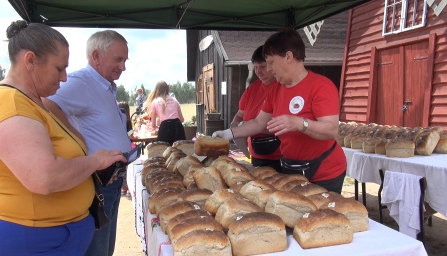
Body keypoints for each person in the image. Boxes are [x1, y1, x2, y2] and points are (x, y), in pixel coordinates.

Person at [0, 20, 126, 256]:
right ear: (30, 61)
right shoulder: (7, 102)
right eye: (59, 68)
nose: (65, 77)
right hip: (31, 246)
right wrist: (94, 161)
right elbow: (44, 177)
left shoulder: (33, 101)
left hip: (50, 244)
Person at [213, 28, 347, 193]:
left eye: (271, 62)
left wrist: (298, 123)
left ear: (288, 57)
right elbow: (259, 123)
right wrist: (229, 133)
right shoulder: (276, 90)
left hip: (324, 173)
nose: (268, 69)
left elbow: (331, 130)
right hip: (291, 171)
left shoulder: (321, 86)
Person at [43, 30, 132, 256]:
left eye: (125, 60)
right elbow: (46, 103)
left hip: (111, 179)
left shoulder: (103, 85)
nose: (123, 66)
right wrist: (77, 138)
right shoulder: (81, 82)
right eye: (118, 59)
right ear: (96, 56)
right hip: (97, 182)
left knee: (105, 249)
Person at [230, 45, 282, 172]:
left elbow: (282, 124)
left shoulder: (281, 87)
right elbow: (240, 114)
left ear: (272, 65)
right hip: (257, 154)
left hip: (280, 156)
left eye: (263, 67)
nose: (259, 72)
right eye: (256, 67)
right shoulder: (252, 89)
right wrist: (235, 124)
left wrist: (248, 126)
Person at [144, 80, 186, 145]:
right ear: (167, 89)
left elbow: (153, 125)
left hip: (165, 128)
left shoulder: (155, 102)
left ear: (157, 89)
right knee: (180, 152)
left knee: (164, 152)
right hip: (178, 127)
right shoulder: (175, 100)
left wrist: (158, 127)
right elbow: (182, 119)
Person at [117, 101, 133, 196]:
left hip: (117, 148)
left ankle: (123, 188)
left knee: (120, 169)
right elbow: (131, 136)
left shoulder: (116, 121)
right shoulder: (127, 121)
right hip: (126, 148)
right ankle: (129, 189)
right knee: (128, 168)